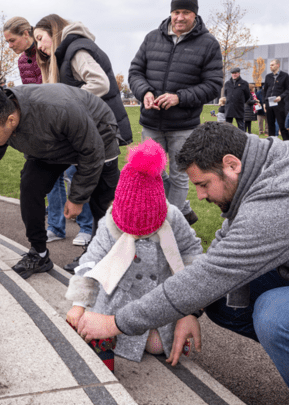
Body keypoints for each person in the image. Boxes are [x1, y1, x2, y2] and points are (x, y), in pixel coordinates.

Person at [76, 122, 289, 405]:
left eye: (202, 184)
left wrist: (116, 323)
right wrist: (191, 308)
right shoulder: (261, 166)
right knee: (226, 300)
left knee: (279, 316)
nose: (199, 196)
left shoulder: (284, 195)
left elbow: (212, 272)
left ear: (231, 164)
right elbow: (220, 257)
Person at [0, 71, 121, 279]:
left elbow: (92, 151)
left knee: (102, 203)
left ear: (11, 120)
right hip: (50, 146)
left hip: (98, 135)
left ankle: (101, 257)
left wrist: (77, 197)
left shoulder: (58, 109)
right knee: (30, 186)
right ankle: (39, 254)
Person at [65, 139, 203, 364]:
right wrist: (79, 304)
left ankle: (133, 334)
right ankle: (107, 336)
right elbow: (91, 261)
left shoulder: (173, 217)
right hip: (120, 298)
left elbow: (191, 252)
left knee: (157, 347)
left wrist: (189, 307)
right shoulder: (110, 222)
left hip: (160, 297)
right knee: (90, 328)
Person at [34, 13, 131, 265]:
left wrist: (65, 104)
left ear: (53, 32)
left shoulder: (76, 50)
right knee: (102, 201)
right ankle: (99, 256)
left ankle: (106, 258)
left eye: (40, 38)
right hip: (97, 132)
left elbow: (100, 83)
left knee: (104, 202)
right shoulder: (68, 52)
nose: (39, 46)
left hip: (103, 134)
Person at [128, 0, 223, 226]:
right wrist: (145, 92)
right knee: (152, 173)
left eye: (186, 13)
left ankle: (168, 226)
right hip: (151, 122)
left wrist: (179, 98)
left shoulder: (208, 44)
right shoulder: (152, 38)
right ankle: (183, 212)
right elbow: (135, 72)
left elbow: (213, 85)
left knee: (180, 177)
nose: (180, 17)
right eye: (176, 12)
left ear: (195, 14)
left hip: (183, 125)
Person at [3, 16, 42, 85]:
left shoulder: (47, 52)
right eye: (7, 42)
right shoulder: (22, 61)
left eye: (12, 40)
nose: (10, 46)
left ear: (25, 34)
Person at [262, 59, 289, 140]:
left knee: (282, 124)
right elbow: (265, 91)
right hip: (269, 103)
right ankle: (271, 142)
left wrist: (281, 97)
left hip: (279, 103)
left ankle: (287, 142)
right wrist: (264, 103)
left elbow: (288, 90)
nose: (270, 66)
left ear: (278, 65)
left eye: (272, 65)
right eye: (270, 65)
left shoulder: (285, 76)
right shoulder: (268, 76)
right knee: (270, 124)